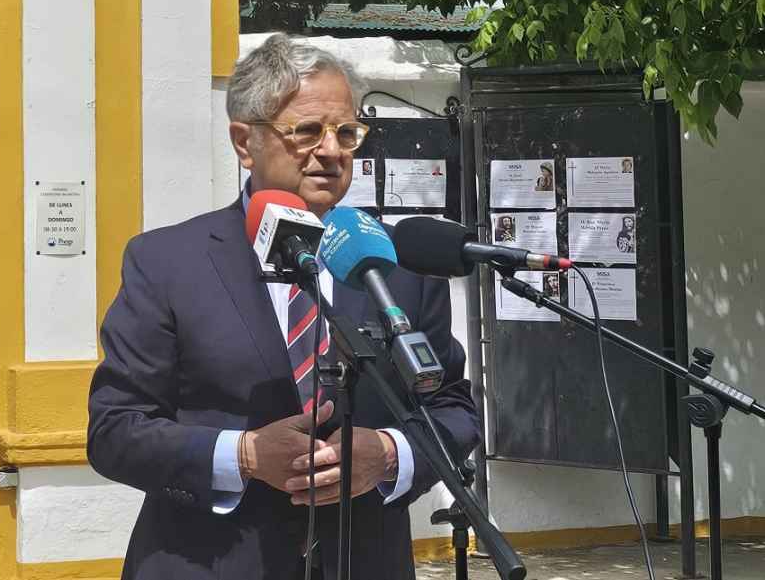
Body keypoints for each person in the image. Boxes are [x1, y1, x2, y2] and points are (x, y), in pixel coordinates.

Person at [87, 34, 479, 580]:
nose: (333, 150)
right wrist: (243, 455)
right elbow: (115, 430)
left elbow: (454, 410)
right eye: (308, 131)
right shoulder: (167, 262)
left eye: (346, 132)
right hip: (209, 563)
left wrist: (388, 454)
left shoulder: (395, 266)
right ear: (244, 143)